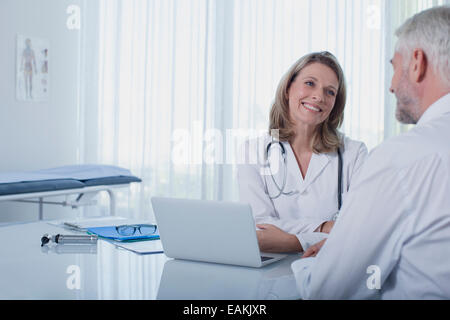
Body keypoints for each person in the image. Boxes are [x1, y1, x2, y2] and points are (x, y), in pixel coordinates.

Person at [291, 5, 450, 299]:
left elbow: (326, 291)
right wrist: (346, 246)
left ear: (417, 63)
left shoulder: (402, 157)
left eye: (394, 66)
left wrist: (324, 261)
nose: (390, 86)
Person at [237, 51, 368, 253]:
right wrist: (324, 227)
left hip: (326, 272)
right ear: (289, 88)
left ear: (335, 105)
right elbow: (259, 225)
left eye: (330, 92)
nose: (318, 96)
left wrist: (293, 242)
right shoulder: (253, 151)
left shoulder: (354, 153)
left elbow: (359, 228)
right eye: (310, 83)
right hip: (269, 274)